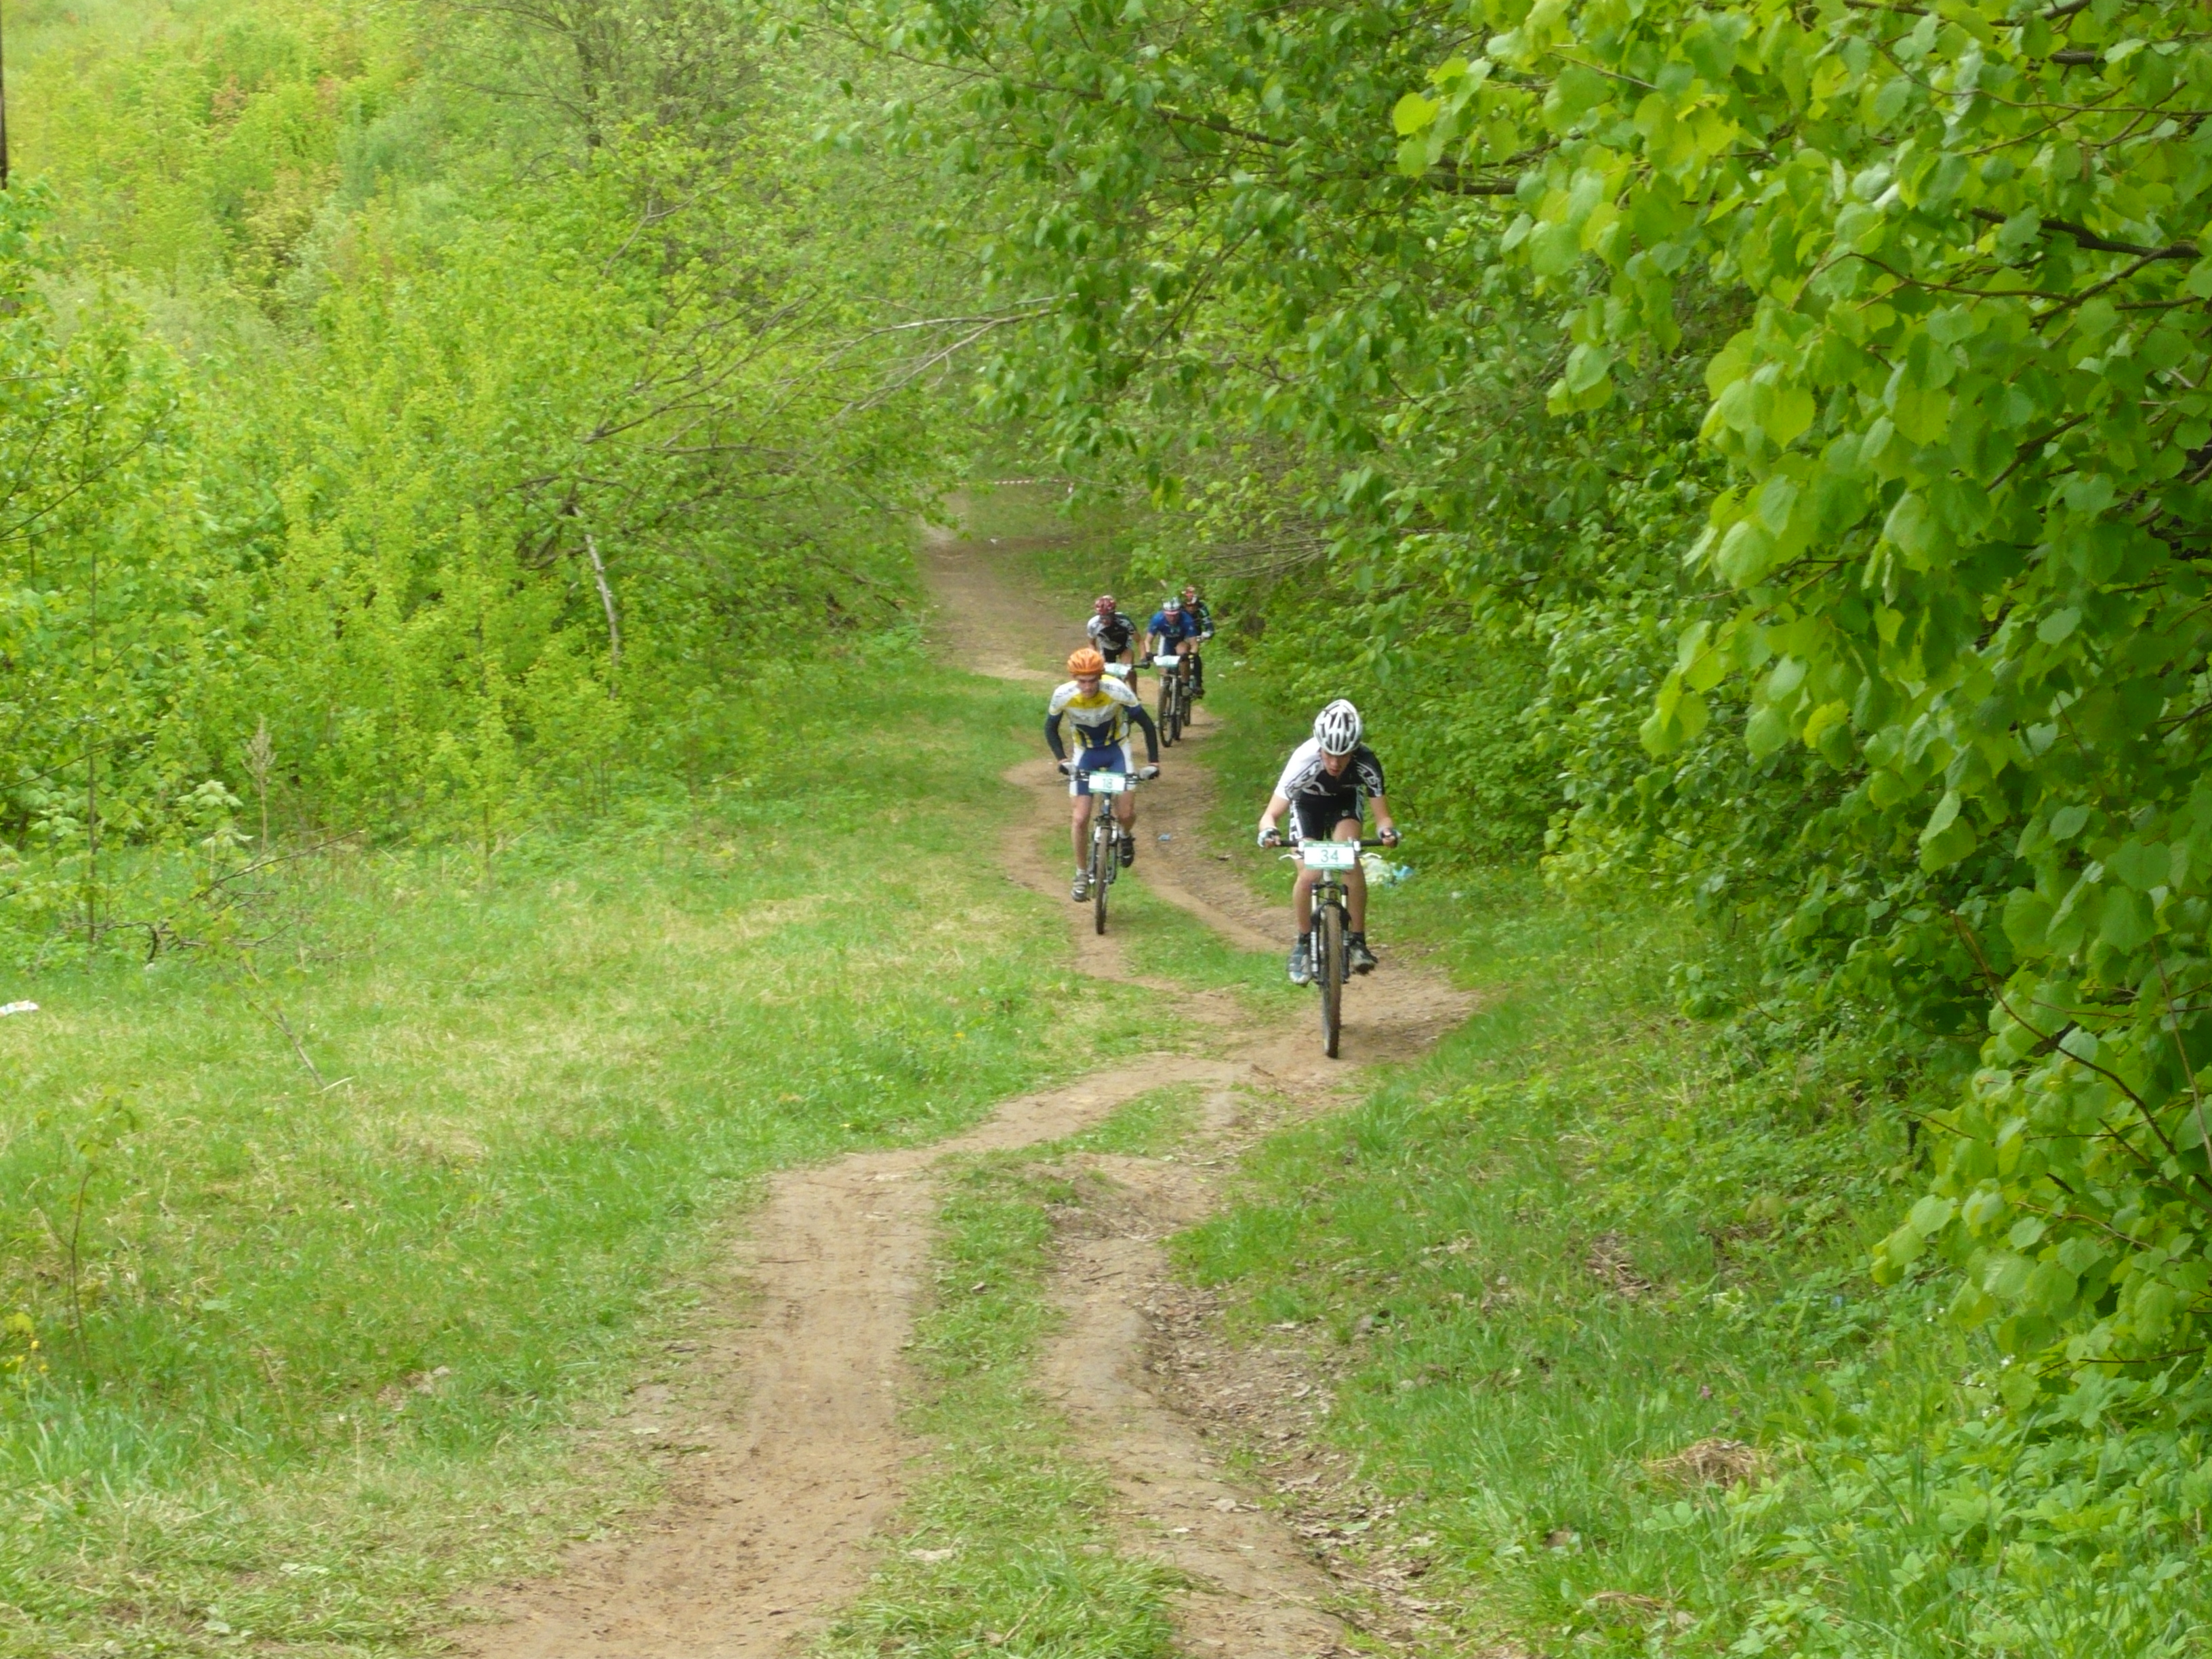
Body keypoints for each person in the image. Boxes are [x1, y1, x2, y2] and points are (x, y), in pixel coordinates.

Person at [1256, 699, 1398, 985]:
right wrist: (1269, 831)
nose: (1335, 763)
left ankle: (1357, 940)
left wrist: (1388, 833)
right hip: (1307, 807)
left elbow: (1383, 817)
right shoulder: (1303, 759)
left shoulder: (1367, 762)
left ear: (1354, 750)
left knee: (1348, 859)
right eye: (1329, 753)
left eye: (1343, 756)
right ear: (1319, 745)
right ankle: (1303, 943)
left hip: (1344, 806)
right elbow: (1270, 814)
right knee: (1310, 874)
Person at [1046, 647, 1162, 901]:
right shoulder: (1063, 695)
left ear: (1100, 676)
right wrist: (1062, 760)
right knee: (1080, 818)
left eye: (1092, 681)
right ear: (1074, 678)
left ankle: (1125, 836)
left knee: (1126, 813)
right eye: (1082, 681)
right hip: (1085, 753)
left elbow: (1146, 724)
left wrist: (1153, 762)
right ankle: (1080, 874)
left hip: (1116, 750)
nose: (1087, 687)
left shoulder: (1117, 689)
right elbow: (1050, 729)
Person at [1143, 595, 1201, 671]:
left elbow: (1194, 645)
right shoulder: (1158, 619)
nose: (1172, 618)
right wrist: (1148, 652)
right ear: (1164, 613)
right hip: (1166, 640)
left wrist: (1190, 655)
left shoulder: (1187, 620)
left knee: (1182, 653)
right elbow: (1147, 641)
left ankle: (1185, 678)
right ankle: (1165, 677)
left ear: (1180, 612)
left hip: (1182, 640)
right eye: (1169, 615)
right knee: (1163, 667)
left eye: (1175, 615)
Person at [1179, 583, 1215, 698]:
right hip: (1180, 634)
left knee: (1195, 656)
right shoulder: (1178, 609)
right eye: (1188, 606)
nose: (1191, 608)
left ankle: (1198, 684)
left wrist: (1206, 635)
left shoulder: (1202, 609)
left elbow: (1210, 627)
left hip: (1195, 634)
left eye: (1193, 605)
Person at [1086, 594, 1137, 664]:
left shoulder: (1124, 621)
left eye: (1107, 617)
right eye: (1102, 617)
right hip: (1107, 648)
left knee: (1128, 667)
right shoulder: (1093, 624)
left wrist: (1143, 658)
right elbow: (1092, 643)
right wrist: (1094, 658)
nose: (1105, 621)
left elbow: (1138, 640)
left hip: (1124, 646)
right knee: (1103, 668)